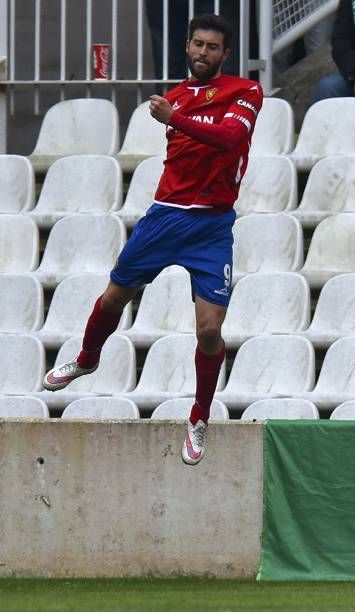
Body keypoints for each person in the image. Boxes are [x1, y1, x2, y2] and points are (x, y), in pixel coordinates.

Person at [42, 14, 263, 467]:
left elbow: (230, 138)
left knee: (209, 329)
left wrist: (176, 118)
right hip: (164, 218)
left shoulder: (244, 91)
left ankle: (199, 414)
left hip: (212, 225)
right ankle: (86, 359)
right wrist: (178, 113)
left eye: (213, 47)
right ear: (187, 47)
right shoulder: (179, 96)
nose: (204, 53)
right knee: (112, 299)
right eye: (198, 44)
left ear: (225, 54)